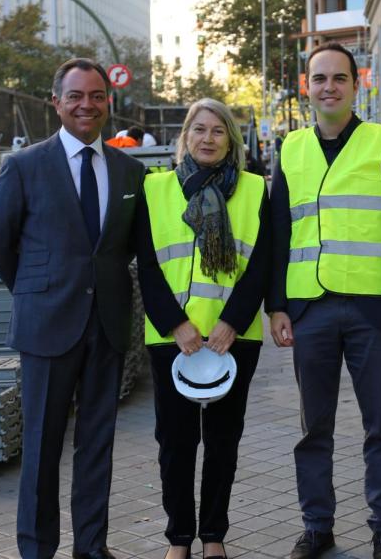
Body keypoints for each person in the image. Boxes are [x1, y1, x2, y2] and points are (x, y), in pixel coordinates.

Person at [0, 58, 145, 559]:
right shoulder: (25, 166)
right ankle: (37, 549)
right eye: (75, 96)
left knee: (97, 447)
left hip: (108, 329)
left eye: (96, 96)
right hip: (46, 327)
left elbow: (131, 248)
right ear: (56, 102)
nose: (86, 105)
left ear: (107, 102)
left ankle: (91, 548)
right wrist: (36, 291)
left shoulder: (129, 170)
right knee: (41, 447)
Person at [267, 42, 381, 559]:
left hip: (373, 307)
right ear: (308, 86)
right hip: (310, 309)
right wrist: (277, 305)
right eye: (319, 78)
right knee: (314, 428)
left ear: (357, 84)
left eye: (339, 78)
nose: (329, 87)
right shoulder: (289, 148)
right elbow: (278, 230)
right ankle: (317, 525)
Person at [135, 98, 271, 559]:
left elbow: (261, 265)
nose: (208, 138)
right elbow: (149, 267)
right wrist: (176, 325)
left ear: (230, 140)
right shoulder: (154, 190)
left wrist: (231, 322)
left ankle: (213, 535)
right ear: (184, 137)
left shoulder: (253, 189)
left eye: (218, 131)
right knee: (175, 442)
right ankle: (179, 538)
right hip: (173, 341)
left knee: (222, 441)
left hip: (233, 339)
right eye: (199, 129)